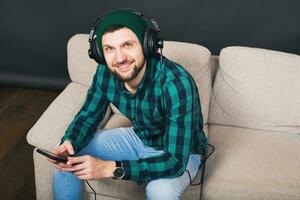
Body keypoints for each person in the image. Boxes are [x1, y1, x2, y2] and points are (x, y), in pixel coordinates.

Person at [49, 9, 208, 200]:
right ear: (99, 53)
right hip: (140, 137)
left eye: (127, 45)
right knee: (68, 157)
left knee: (161, 191)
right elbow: (88, 115)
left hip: (182, 152)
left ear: (147, 45)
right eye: (109, 49)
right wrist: (70, 141)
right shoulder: (105, 72)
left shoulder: (176, 83)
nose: (120, 57)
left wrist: (111, 168)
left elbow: (174, 162)